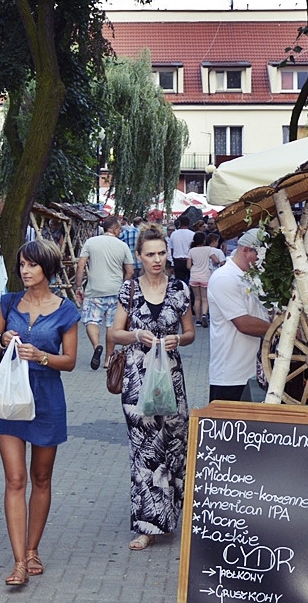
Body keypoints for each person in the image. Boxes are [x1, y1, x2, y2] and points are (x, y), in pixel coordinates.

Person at [0, 239, 79, 585]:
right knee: (15, 479)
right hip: (10, 397)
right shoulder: (8, 302)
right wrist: (3, 341)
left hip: (46, 397)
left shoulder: (66, 310)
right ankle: (19, 562)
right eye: (22, 264)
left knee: (41, 478)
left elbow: (69, 361)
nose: (24, 271)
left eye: (32, 265)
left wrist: (40, 355)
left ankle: (32, 549)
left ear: (47, 269)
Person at [110, 226, 195, 551]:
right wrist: (135, 335)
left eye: (161, 253)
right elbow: (115, 333)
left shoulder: (180, 290)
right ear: (140, 256)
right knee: (145, 453)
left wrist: (179, 339)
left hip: (171, 379)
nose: (157, 259)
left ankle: (170, 519)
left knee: (174, 448)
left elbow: (190, 333)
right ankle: (146, 526)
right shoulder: (128, 290)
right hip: (137, 380)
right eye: (150, 254)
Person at [207, 228, 271, 402]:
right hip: (231, 375)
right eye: (260, 255)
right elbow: (243, 323)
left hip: (252, 370)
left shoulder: (250, 276)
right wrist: (280, 330)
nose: (262, 260)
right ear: (246, 250)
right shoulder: (224, 278)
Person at [75, 216, 134, 370]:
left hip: (94, 290)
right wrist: (123, 285)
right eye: (119, 229)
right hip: (115, 291)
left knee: (91, 321)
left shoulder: (90, 242)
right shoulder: (123, 246)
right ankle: (108, 360)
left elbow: (80, 265)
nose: (120, 231)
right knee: (111, 326)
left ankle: (96, 346)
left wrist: (78, 286)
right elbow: (130, 271)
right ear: (114, 229)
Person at [187, 232, 221, 327]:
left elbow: (188, 266)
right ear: (204, 240)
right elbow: (216, 261)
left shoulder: (191, 251)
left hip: (194, 276)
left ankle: (198, 320)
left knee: (197, 299)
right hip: (205, 276)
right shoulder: (208, 249)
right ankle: (204, 314)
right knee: (205, 298)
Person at [168, 216, 194, 282]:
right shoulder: (192, 234)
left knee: (179, 282)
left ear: (179, 223)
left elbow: (171, 249)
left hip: (177, 261)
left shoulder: (174, 234)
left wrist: (172, 262)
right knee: (191, 281)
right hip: (189, 261)